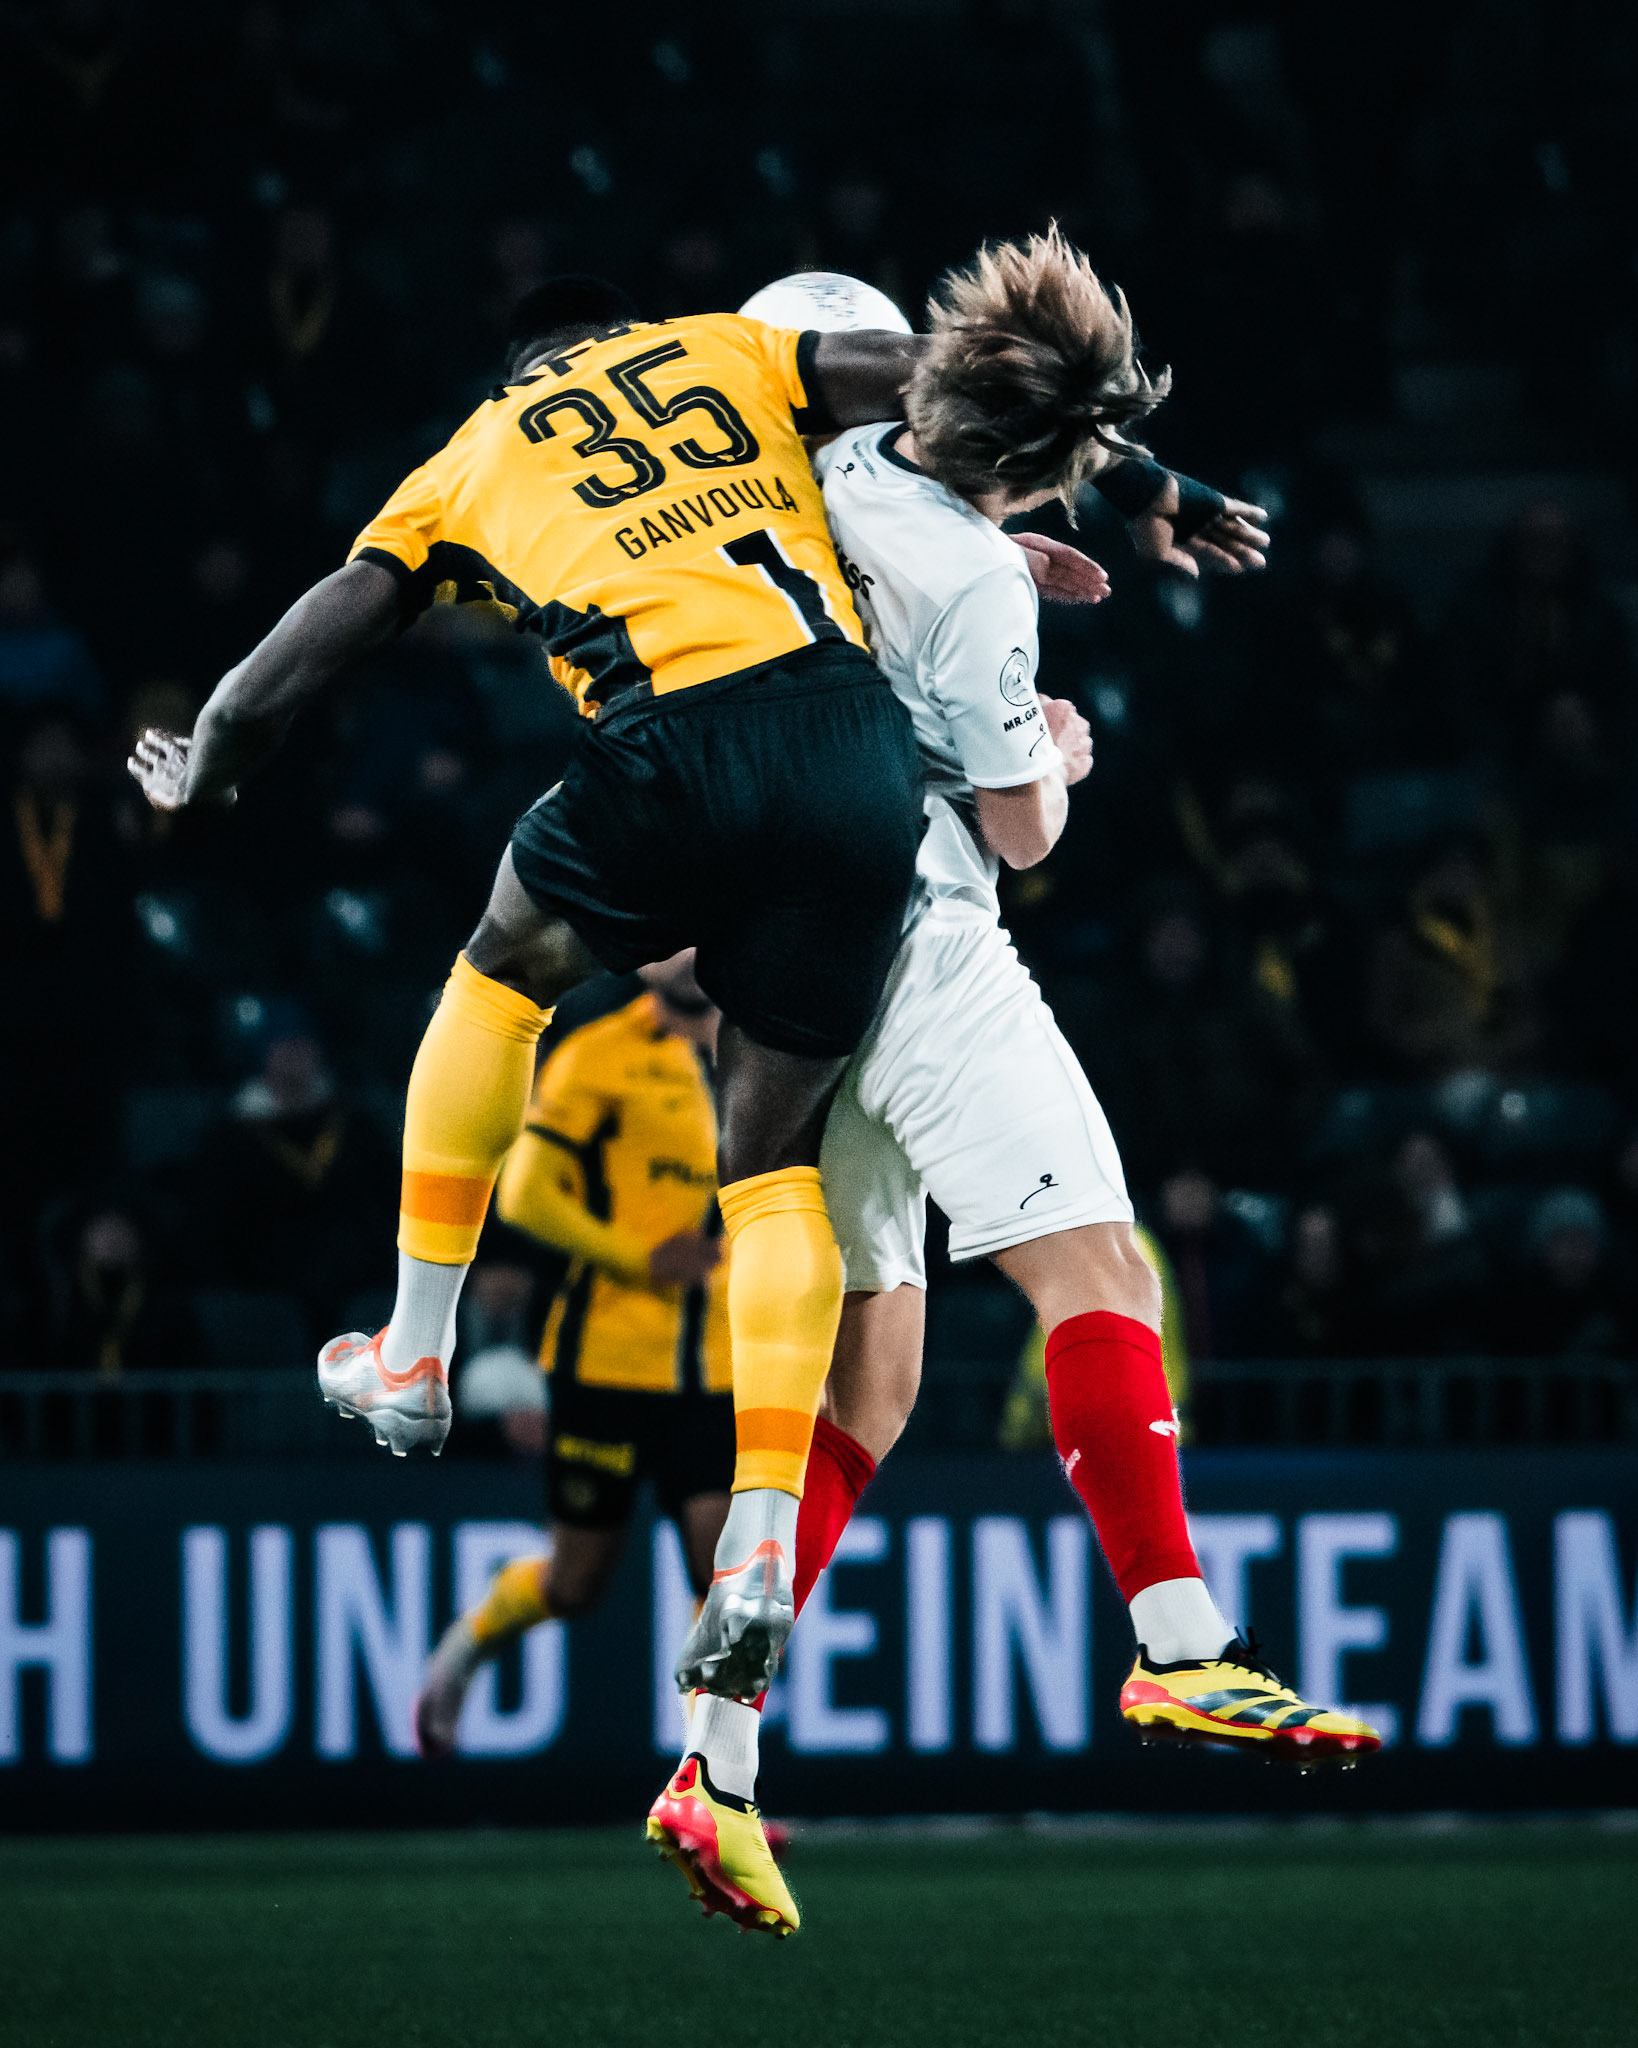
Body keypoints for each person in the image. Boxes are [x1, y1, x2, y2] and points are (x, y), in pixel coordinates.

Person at [129, 257, 1219, 1724]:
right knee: (774, 1171)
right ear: (622, 336)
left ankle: (413, 1347)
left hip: (666, 753)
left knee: (502, 969)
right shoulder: (730, 356)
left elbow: (326, 625)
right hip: (853, 776)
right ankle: (762, 1548)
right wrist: (1128, 473)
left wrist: (209, 752)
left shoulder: (473, 452)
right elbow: (949, 382)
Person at [646, 251, 1374, 1937]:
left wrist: (1056, 526)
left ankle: (714, 1756)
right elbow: (1018, 833)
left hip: (774, 965)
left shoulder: (802, 467)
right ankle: (1181, 1648)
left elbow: (952, 455)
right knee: (1102, 1273)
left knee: (869, 1381)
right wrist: (1051, 737)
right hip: (913, 945)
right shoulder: (981, 582)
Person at [413, 950, 734, 1756]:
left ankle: (717, 1783)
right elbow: (525, 1194)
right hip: (607, 1361)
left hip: (726, 1366)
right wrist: (636, 1255)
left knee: (725, 1579)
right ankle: (469, 1644)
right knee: (576, 1583)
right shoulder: (598, 1054)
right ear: (646, 954)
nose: (687, 952)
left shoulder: (772, 1049)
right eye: (671, 937)